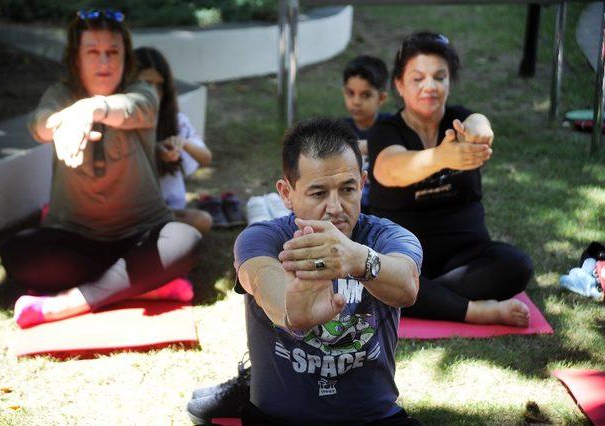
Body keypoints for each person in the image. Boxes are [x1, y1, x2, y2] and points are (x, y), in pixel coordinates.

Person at [189, 117, 423, 425]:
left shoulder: (388, 237)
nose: (336, 206)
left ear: (363, 184)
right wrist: (292, 312)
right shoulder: (261, 238)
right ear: (287, 193)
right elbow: (262, 282)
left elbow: (407, 286)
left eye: (348, 189)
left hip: (373, 419)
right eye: (318, 193)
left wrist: (359, 260)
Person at [0, 9, 201, 328]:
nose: (104, 62)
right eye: (93, 52)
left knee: (186, 240)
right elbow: (39, 124)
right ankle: (136, 283)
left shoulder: (141, 90)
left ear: (126, 57)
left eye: (113, 52)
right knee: (17, 253)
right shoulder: (60, 94)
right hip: (76, 239)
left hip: (142, 235)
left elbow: (140, 109)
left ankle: (76, 300)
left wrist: (91, 108)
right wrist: (61, 123)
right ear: (76, 58)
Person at [368, 31, 533, 327]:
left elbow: (477, 122)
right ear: (399, 85)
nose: (429, 86)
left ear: (450, 82)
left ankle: (421, 298)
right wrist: (441, 157)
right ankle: (474, 310)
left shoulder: (460, 120)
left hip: (464, 259)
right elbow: (389, 168)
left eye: (439, 77)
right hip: (403, 257)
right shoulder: (386, 130)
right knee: (383, 276)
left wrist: (479, 131)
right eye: (418, 78)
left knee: (517, 266)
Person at [134, 46, 214, 235]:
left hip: (168, 212)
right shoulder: (118, 121)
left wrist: (182, 143)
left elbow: (206, 158)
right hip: (132, 213)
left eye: (159, 86)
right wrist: (154, 151)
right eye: (146, 83)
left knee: (202, 221)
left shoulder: (175, 121)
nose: (153, 92)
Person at [342, 55, 392, 212]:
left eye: (365, 95)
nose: (356, 101)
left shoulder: (393, 127)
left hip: (385, 205)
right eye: (351, 93)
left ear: (381, 98)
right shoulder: (339, 130)